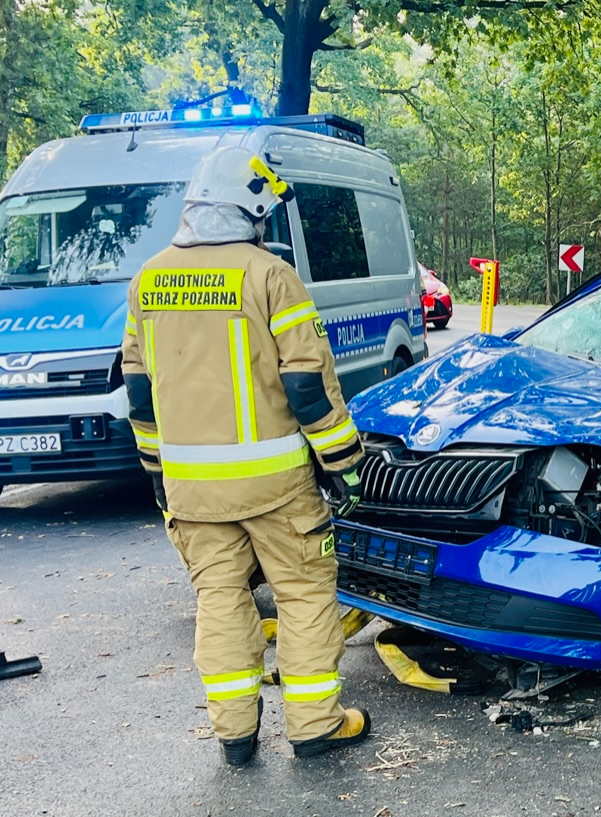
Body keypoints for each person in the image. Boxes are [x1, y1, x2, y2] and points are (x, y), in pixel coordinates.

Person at [121, 146, 371, 764]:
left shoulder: (149, 279)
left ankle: (234, 735)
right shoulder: (269, 276)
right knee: (303, 594)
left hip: (192, 490)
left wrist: (156, 471)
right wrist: (344, 464)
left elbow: (139, 389)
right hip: (277, 485)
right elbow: (307, 384)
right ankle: (314, 725)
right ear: (251, 208)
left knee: (219, 599)